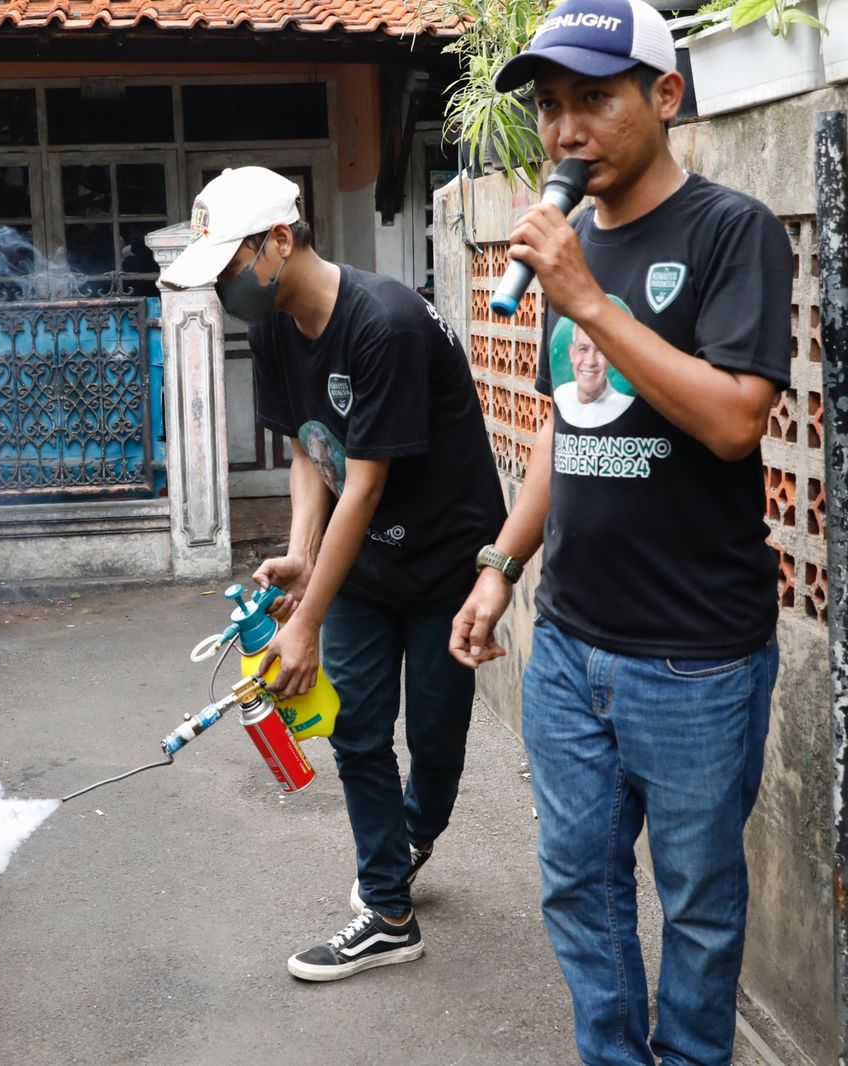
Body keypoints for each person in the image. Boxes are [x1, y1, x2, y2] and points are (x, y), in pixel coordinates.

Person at [450, 2, 791, 1060]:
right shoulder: (572, 250)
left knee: (693, 905)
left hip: (693, 658)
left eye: (593, 99)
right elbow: (571, 423)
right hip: (569, 647)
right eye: (550, 107)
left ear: (666, 97)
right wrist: (503, 565)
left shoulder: (730, 232)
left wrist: (591, 301)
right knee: (578, 888)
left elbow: (736, 421)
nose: (564, 131)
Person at [158, 166, 506, 982]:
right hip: (365, 562)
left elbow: (371, 481)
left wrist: (304, 617)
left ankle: (413, 834)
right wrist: (302, 554)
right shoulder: (279, 322)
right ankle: (388, 910)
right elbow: (314, 450)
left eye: (227, 269)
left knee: (437, 739)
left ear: (280, 241)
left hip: (443, 558)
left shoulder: (383, 324)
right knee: (357, 729)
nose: (222, 292)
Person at [554, 318, 635, 428]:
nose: (590, 361)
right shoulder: (560, 395)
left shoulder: (625, 406)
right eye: (583, 349)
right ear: (572, 353)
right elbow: (550, 426)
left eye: (601, 350)